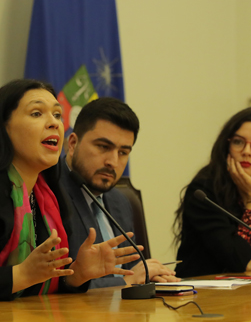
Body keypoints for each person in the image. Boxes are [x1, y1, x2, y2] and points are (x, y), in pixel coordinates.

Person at [0, 79, 140, 301]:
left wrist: (76, 275)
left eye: (57, 115)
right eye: (36, 113)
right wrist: (19, 275)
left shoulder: (48, 196)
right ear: (3, 127)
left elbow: (41, 287)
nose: (54, 123)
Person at [60, 97, 178, 287]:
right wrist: (125, 282)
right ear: (73, 144)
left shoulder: (120, 202)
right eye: (103, 147)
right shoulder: (48, 192)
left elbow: (132, 272)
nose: (113, 162)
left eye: (123, 152)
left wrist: (150, 277)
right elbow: (56, 284)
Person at [173, 107, 251, 278]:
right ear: (227, 146)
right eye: (238, 142)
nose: (246, 151)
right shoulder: (204, 191)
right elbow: (237, 261)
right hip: (202, 294)